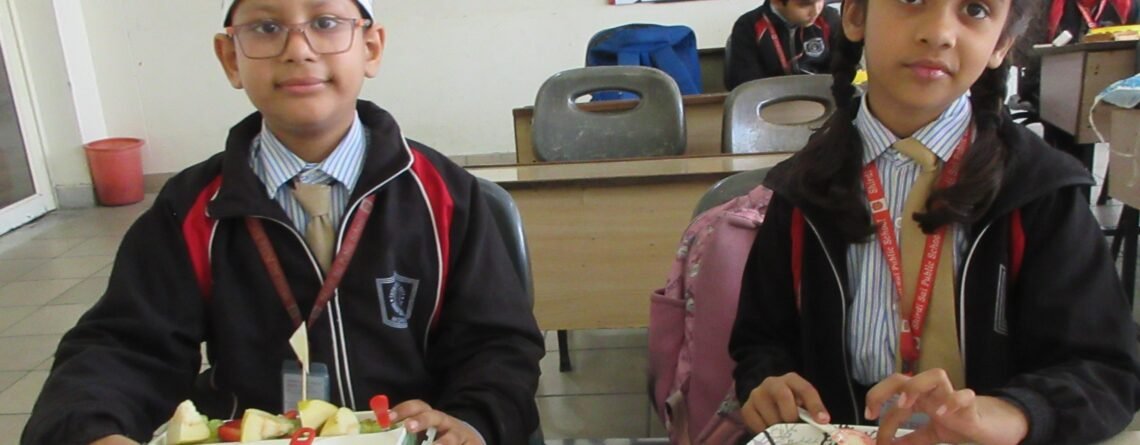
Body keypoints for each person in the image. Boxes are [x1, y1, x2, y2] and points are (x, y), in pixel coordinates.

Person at [20, 1, 543, 444]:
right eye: (267, 27)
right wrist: (91, 428)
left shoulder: (446, 197)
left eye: (325, 23)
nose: (298, 49)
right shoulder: (191, 208)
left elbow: (496, 344)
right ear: (231, 58)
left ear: (371, 48)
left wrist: (474, 423)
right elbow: (125, 347)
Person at [728, 0, 1140, 441]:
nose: (939, 33)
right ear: (855, 16)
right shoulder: (801, 189)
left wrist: (1017, 413)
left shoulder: (1042, 190)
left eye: (975, 9)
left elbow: (1106, 370)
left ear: (1001, 43)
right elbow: (761, 342)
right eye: (911, 0)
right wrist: (768, 383)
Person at [725, 0, 841, 90]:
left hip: (822, 99)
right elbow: (746, 85)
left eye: (820, 1)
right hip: (771, 103)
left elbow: (843, 68)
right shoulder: (747, 26)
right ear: (776, 2)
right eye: (805, 5)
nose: (816, 10)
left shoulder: (829, 18)